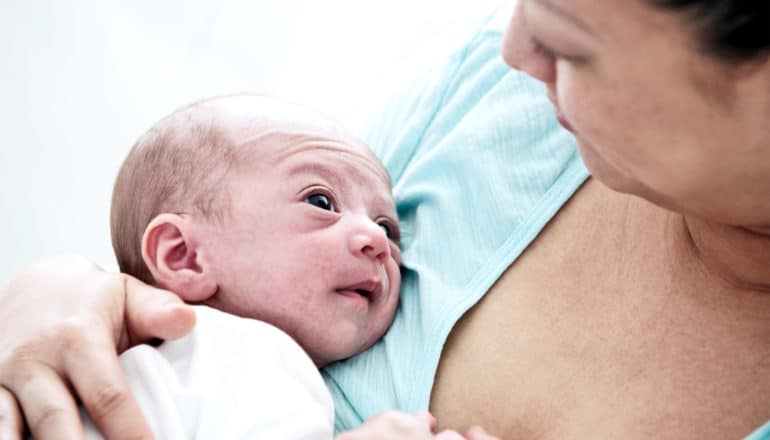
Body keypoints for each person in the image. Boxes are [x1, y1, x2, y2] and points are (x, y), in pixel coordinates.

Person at [1, 0, 770, 438]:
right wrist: (68, 294)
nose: (511, 53)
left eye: (570, 42)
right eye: (322, 205)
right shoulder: (487, 102)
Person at [82, 93, 403, 438]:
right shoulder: (242, 352)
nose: (378, 240)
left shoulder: (157, 373)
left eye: (387, 226)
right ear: (184, 256)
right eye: (320, 201)